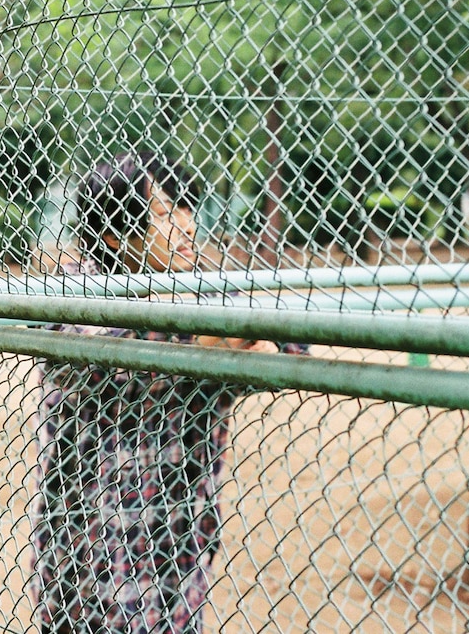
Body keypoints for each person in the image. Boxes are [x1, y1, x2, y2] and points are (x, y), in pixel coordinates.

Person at [30, 151, 303, 634]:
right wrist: (201, 337)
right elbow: (101, 356)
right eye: (162, 213)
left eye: (184, 207)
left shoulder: (211, 292)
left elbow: (292, 347)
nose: (185, 223)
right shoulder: (76, 288)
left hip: (172, 540)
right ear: (114, 233)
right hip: (84, 540)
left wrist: (226, 337)